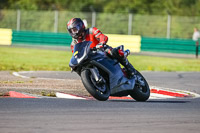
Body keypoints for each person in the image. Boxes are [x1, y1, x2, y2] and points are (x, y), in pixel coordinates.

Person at [67, 18, 136, 78]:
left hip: (101, 50)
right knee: (79, 68)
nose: (73, 32)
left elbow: (102, 36)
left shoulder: (91, 30)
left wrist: (101, 42)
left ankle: (129, 68)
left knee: (113, 52)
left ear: (80, 26)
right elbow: (76, 55)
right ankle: (92, 80)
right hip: (89, 57)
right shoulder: (74, 44)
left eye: (74, 29)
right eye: (71, 31)